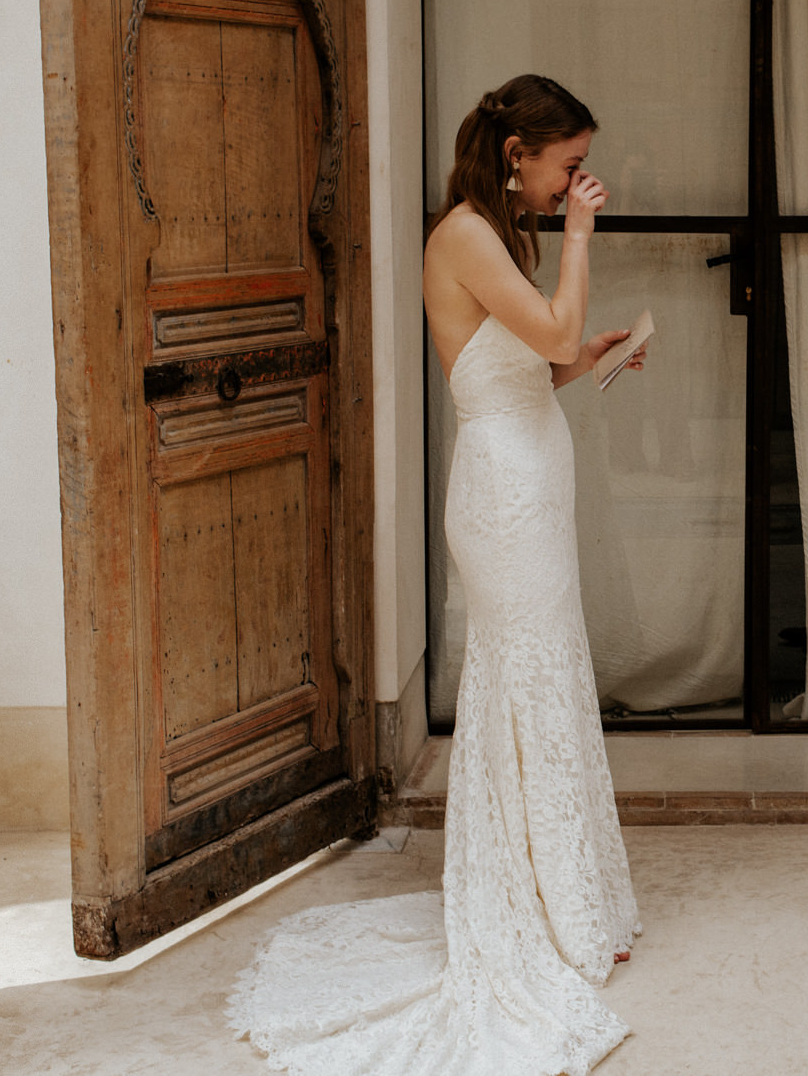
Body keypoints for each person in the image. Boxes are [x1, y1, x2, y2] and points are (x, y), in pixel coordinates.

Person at [228, 73, 644, 1074]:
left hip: (534, 467)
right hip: (501, 489)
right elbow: (539, 329)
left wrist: (590, 358)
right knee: (523, 674)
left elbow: (538, 361)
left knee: (545, 671)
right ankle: (527, 901)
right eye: (568, 165)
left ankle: (563, 894)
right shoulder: (462, 231)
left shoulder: (498, 237)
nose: (574, 182)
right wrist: (582, 247)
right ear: (518, 154)